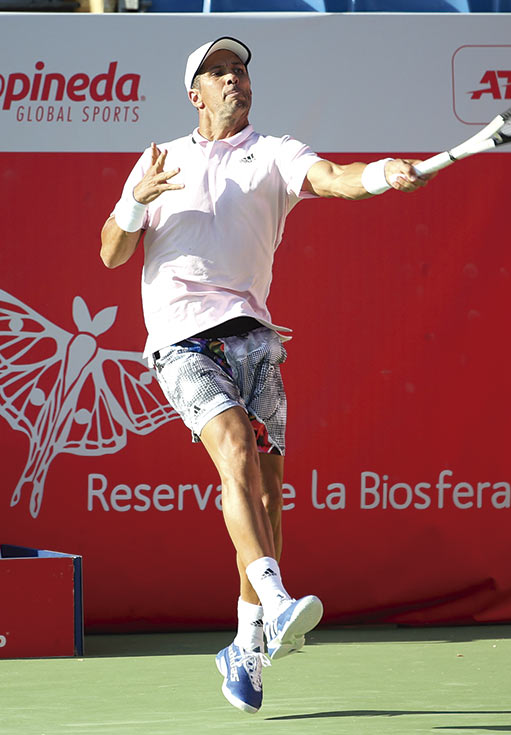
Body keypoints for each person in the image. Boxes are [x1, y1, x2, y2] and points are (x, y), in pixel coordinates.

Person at [100, 36, 435, 714]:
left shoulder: (274, 153)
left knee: (270, 495)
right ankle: (277, 599)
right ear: (195, 93)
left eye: (241, 71)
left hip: (254, 341)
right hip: (181, 341)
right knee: (232, 451)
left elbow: (336, 178)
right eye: (219, 72)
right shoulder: (159, 160)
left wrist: (383, 174)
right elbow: (111, 253)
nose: (235, 80)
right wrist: (136, 199)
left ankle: (248, 643)